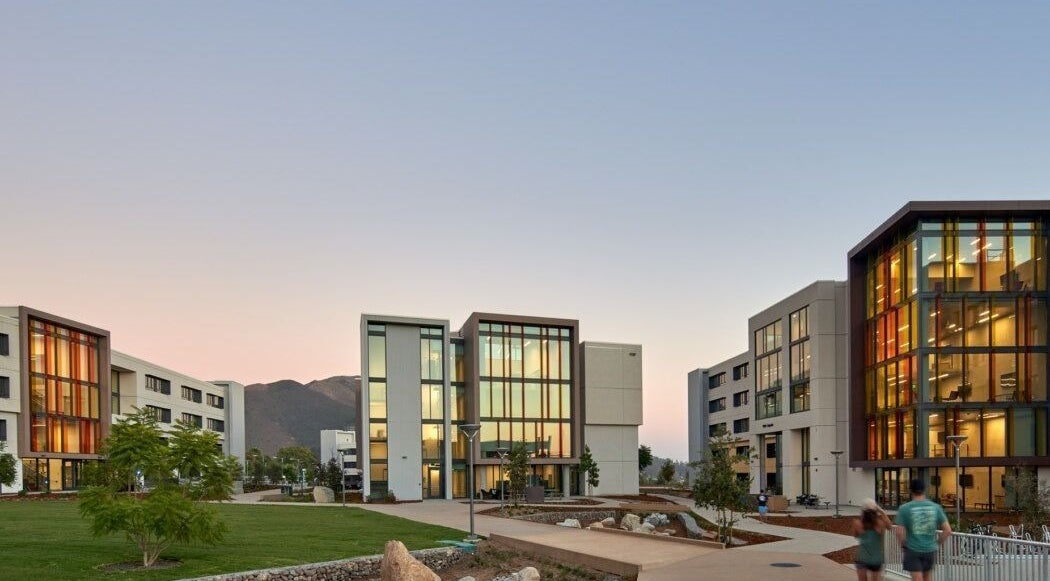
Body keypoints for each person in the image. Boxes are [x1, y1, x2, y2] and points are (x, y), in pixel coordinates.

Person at [895, 479, 951, 581]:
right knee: (927, 578)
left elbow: (899, 531)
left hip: (913, 549)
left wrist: (903, 544)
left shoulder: (904, 508)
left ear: (911, 491)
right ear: (924, 490)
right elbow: (947, 530)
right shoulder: (936, 507)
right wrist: (937, 543)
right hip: (930, 550)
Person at [853, 498, 892, 581]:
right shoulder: (880, 523)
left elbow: (856, 535)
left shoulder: (857, 523)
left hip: (861, 557)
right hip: (876, 558)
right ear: (875, 510)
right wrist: (881, 511)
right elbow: (890, 526)